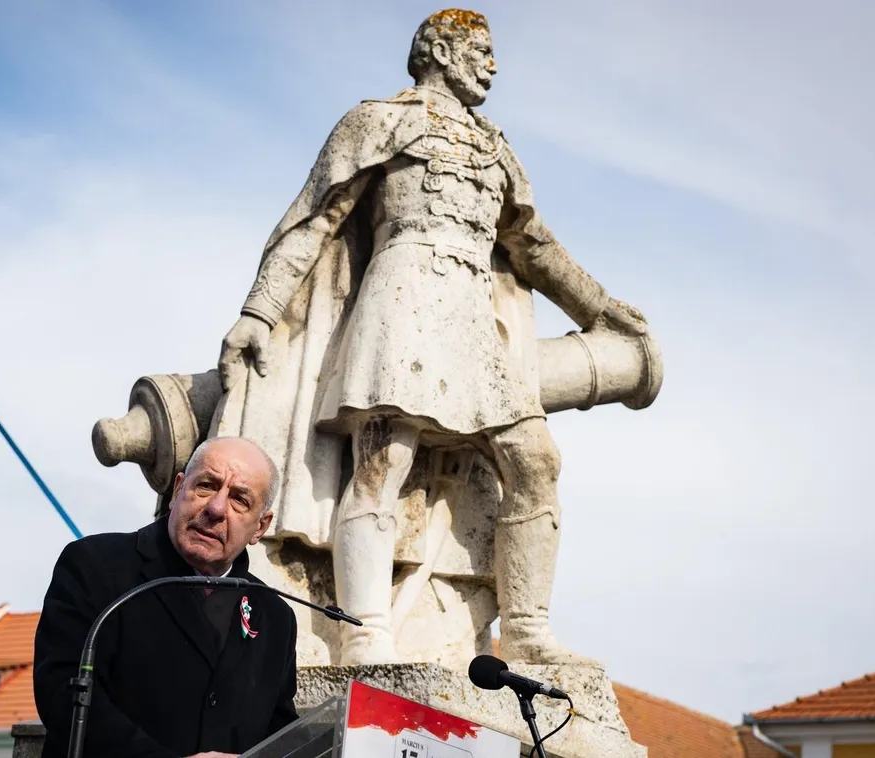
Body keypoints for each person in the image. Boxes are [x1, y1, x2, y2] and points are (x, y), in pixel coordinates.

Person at [215, 9, 649, 666]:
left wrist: (602, 309)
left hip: (475, 321)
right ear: (440, 51)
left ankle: (526, 628)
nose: (492, 66)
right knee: (381, 464)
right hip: (400, 300)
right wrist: (258, 311)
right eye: (480, 50)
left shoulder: (495, 148)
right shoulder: (376, 121)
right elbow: (315, 219)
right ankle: (365, 628)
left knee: (535, 462)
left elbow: (532, 246)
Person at [33, 437, 297, 758]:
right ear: (178, 490)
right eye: (206, 486)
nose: (216, 508)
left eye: (239, 499)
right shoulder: (95, 565)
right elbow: (62, 692)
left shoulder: (276, 616)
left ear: (260, 527)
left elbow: (281, 734)